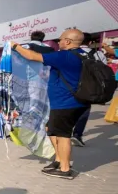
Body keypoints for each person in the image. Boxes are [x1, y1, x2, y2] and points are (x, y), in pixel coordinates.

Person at [10, 28, 91, 180]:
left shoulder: (65, 56)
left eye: (60, 39)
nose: (58, 42)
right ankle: (59, 160)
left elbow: (31, 55)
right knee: (51, 129)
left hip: (65, 103)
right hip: (79, 102)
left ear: (68, 41)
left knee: (63, 135)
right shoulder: (84, 54)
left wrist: (15, 46)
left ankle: (65, 169)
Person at [70, 33, 110, 147]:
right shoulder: (98, 54)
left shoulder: (68, 53)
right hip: (89, 87)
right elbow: (104, 70)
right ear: (91, 42)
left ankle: (64, 134)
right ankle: (77, 134)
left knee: (67, 108)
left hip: (70, 84)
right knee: (84, 110)